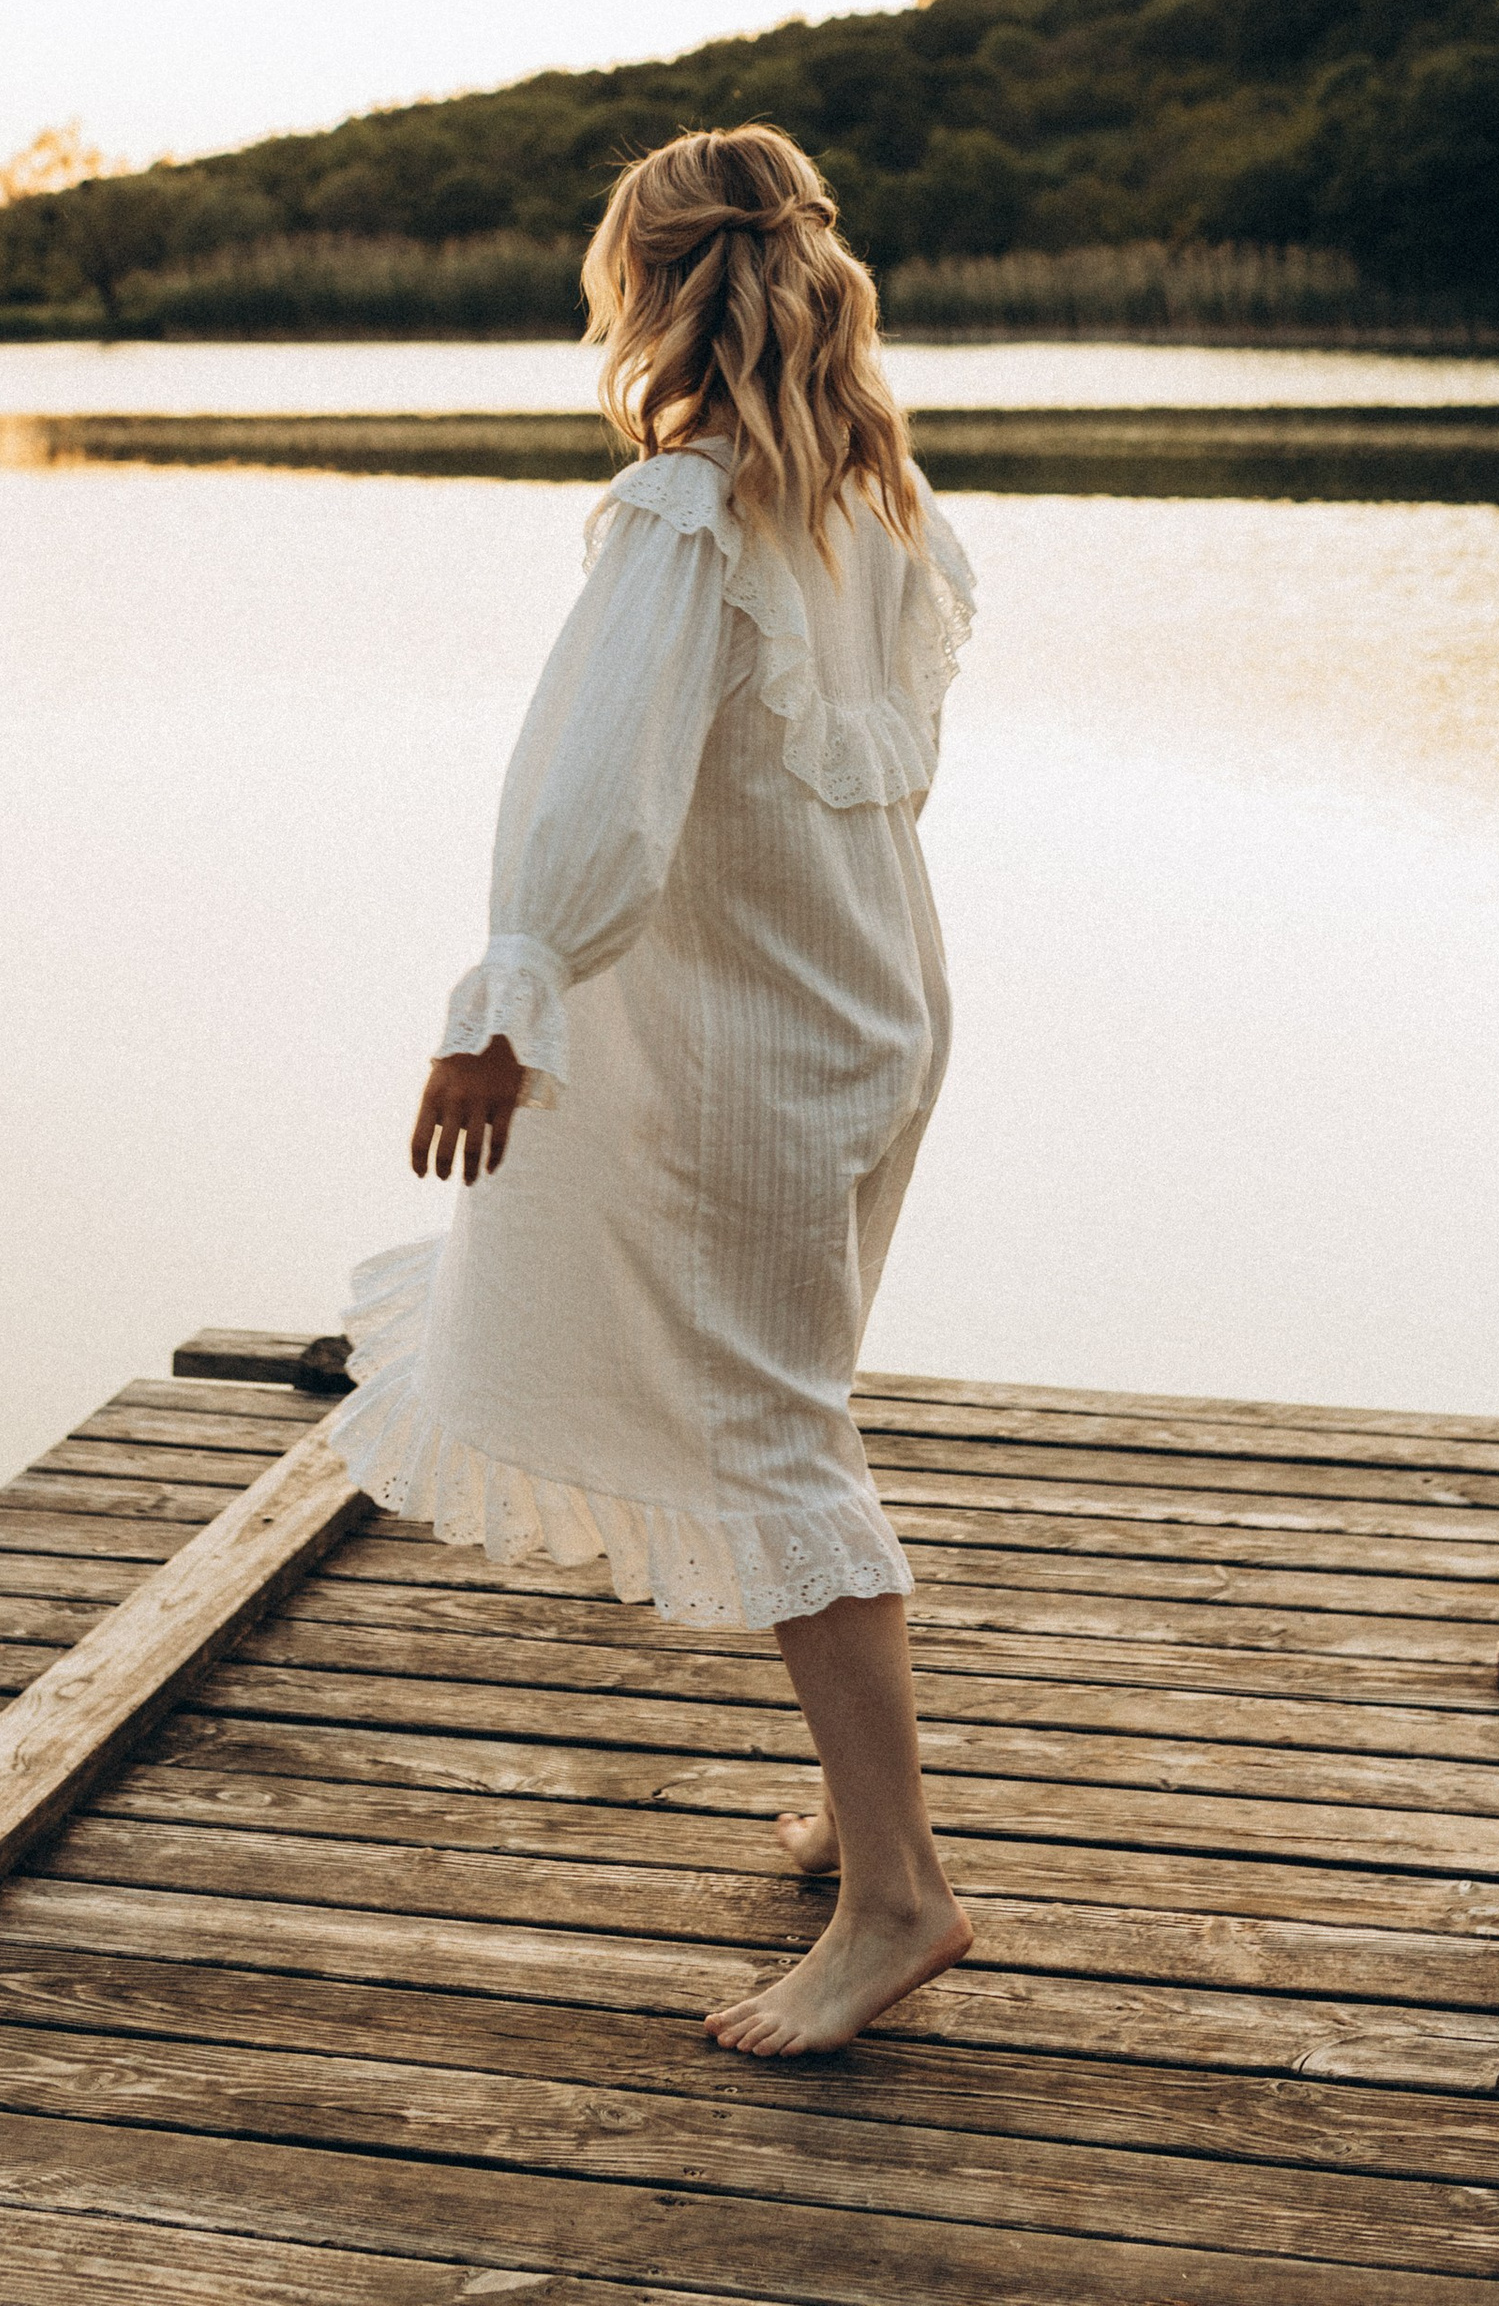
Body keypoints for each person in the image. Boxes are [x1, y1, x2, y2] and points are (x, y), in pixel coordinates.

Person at [328, 122, 978, 2053]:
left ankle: (901, 1899)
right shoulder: (883, 511)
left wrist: (503, 995)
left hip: (753, 1051)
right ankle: (860, 1820)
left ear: (650, 287)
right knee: (799, 1404)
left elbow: (591, 794)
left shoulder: (688, 514)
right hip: (872, 1012)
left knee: (782, 1442)